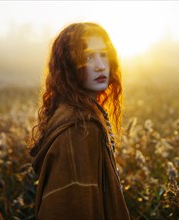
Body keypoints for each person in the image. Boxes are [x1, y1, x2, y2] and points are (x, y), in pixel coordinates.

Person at [29, 22, 130, 219]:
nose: (100, 66)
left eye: (103, 55)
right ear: (68, 66)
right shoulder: (80, 128)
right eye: (88, 57)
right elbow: (73, 205)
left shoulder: (74, 114)